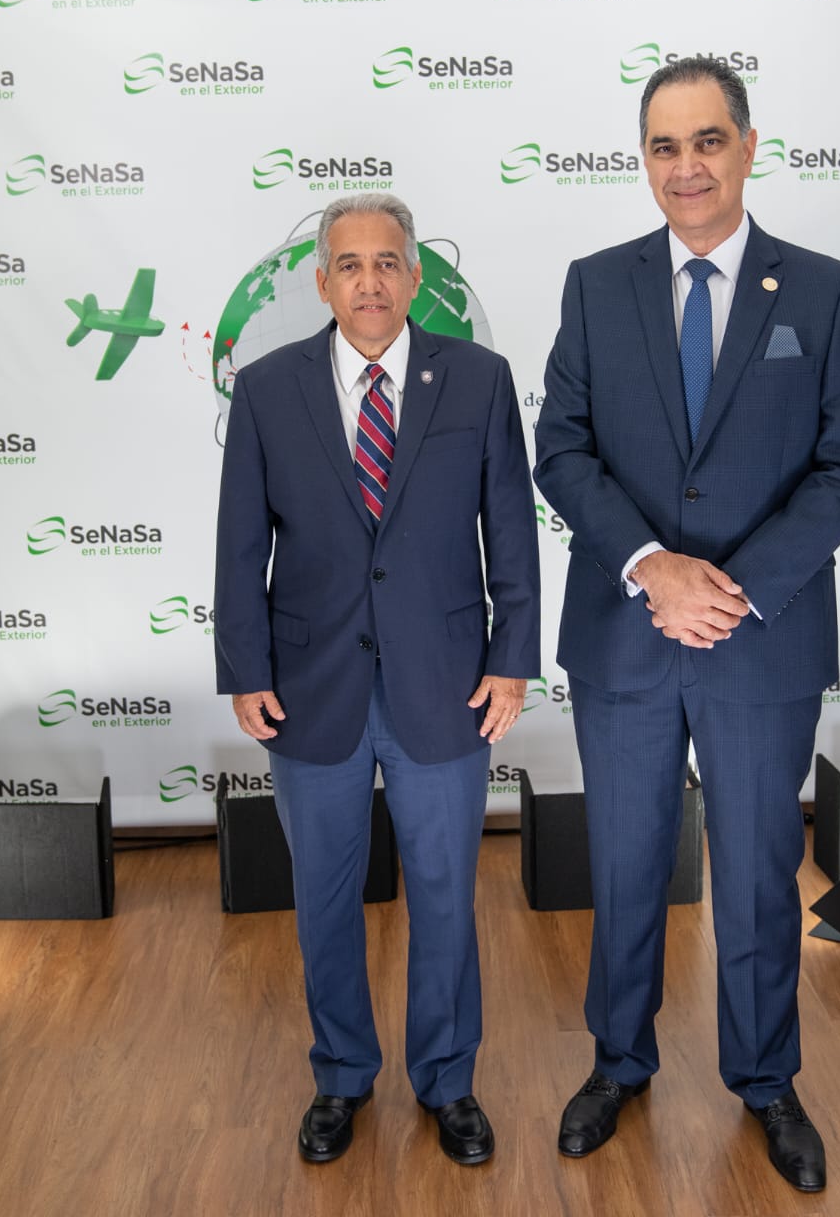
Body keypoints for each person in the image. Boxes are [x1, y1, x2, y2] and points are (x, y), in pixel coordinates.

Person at [533, 57, 840, 1192]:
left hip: (760, 642)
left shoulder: (823, 291)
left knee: (757, 873)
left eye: (706, 141)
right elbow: (562, 450)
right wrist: (652, 569)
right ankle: (617, 1062)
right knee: (627, 863)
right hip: (626, 636)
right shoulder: (596, 285)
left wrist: (727, 588)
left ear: (747, 146)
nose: (685, 167)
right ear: (644, 160)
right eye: (663, 146)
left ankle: (767, 1080)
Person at [215, 194, 540, 1167]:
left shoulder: (478, 379)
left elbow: (511, 533)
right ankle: (341, 1076)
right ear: (322, 282)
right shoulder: (266, 388)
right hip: (309, 687)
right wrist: (245, 668)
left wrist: (512, 657)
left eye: (387, 262)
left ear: (414, 277)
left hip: (447, 684)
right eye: (350, 265)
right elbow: (241, 547)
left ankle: (448, 1080)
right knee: (324, 899)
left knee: (444, 897)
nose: (370, 281)